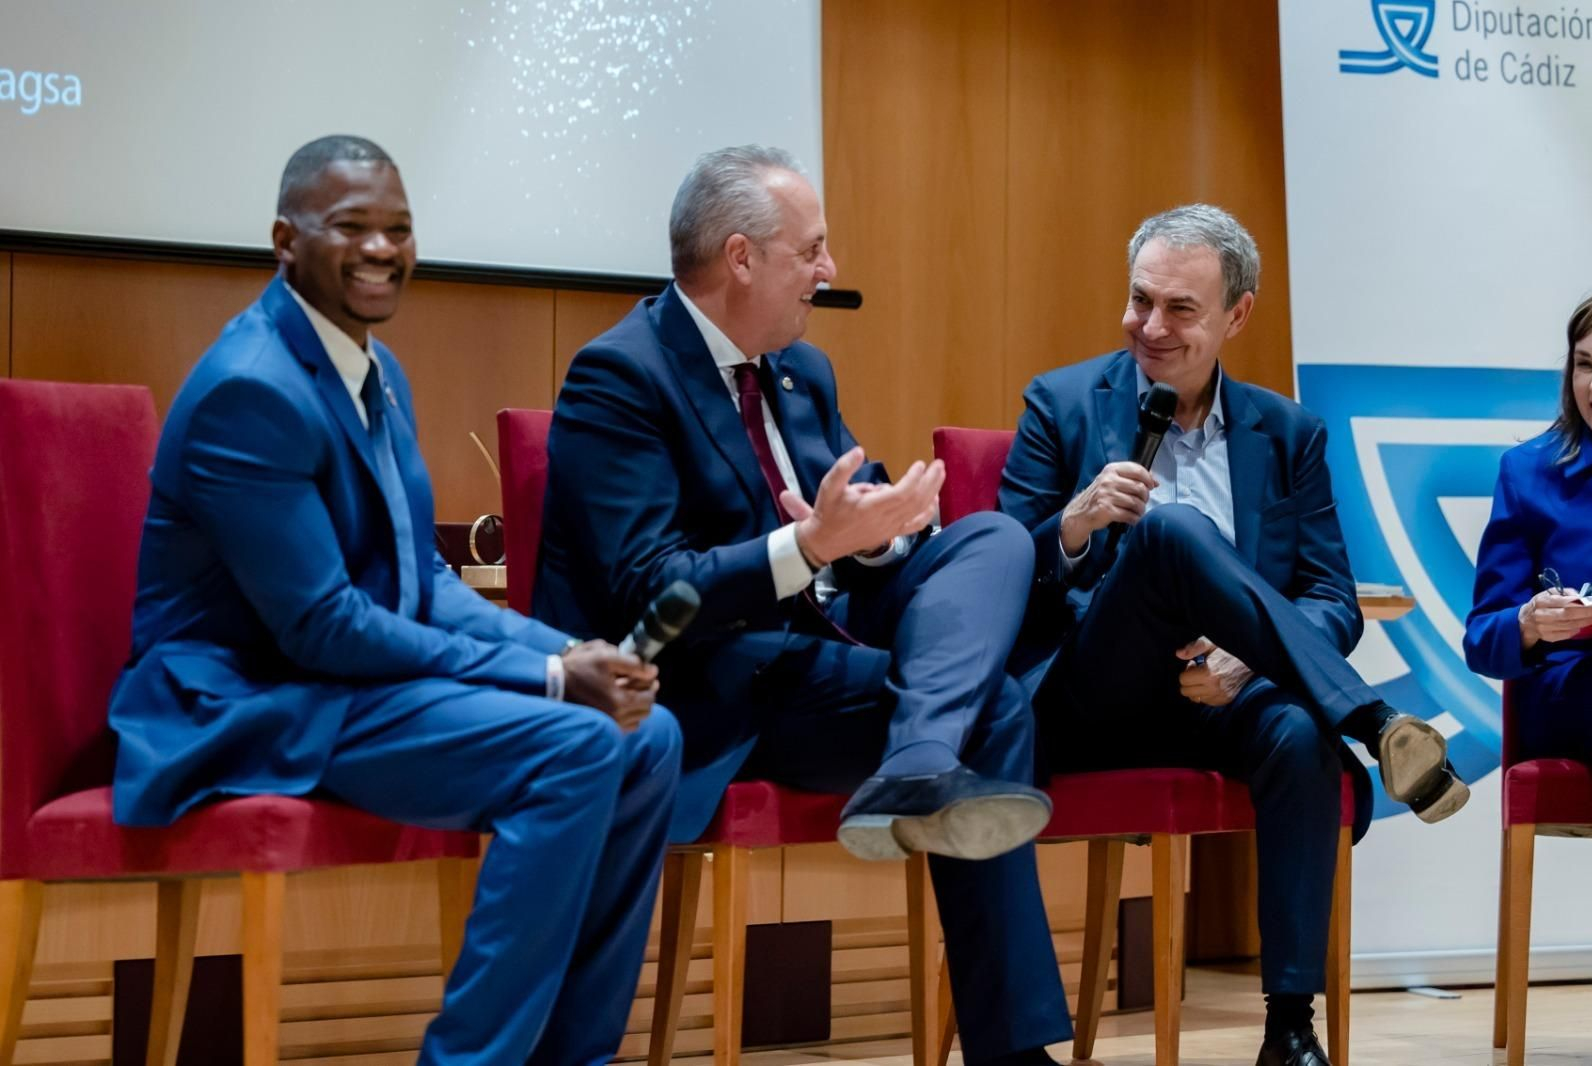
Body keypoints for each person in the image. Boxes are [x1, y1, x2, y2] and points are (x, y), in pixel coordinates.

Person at [108, 135, 681, 1066]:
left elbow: (424, 587)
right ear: (285, 240)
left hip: (347, 686)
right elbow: (324, 624)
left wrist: (576, 649)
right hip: (254, 700)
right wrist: (546, 676)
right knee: (576, 741)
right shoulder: (250, 392)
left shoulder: (377, 370)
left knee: (646, 735)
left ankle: (574, 1055)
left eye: (399, 229)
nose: (382, 249)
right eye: (353, 228)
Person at [535, 145, 1071, 1064]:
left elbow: (848, 527)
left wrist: (892, 529)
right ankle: (1013, 1049)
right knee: (1001, 704)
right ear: (741, 258)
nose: (830, 271)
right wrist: (809, 546)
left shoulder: (801, 371)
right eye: (812, 250)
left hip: (820, 650)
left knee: (996, 538)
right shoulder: (620, 376)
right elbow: (648, 593)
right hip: (709, 686)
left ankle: (920, 753)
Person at [998, 204, 1469, 1066]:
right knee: (1173, 532)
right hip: (1093, 691)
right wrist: (1073, 523)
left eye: (1180, 309)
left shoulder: (1287, 434)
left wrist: (1248, 658)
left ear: (1236, 316)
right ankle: (1371, 720)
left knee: (1296, 734)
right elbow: (992, 579)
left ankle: (1290, 1028)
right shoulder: (1061, 404)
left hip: (1221, 695)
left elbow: (1331, 594)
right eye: (1140, 301)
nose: (1151, 326)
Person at [1465, 292, 1592, 757]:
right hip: (1571, 692)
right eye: (1585, 365)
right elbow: (1481, 639)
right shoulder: (1528, 471)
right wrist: (1529, 622)